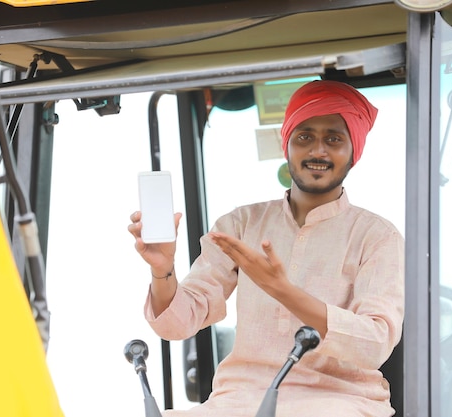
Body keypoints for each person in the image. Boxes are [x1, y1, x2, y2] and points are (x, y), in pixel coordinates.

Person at [128, 80, 405, 417]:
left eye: (333, 139)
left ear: (353, 152)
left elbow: (374, 344)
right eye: (304, 137)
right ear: (285, 143)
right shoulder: (240, 224)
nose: (318, 150)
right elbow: (176, 326)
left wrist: (282, 290)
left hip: (339, 401)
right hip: (239, 400)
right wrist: (163, 269)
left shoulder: (378, 236)